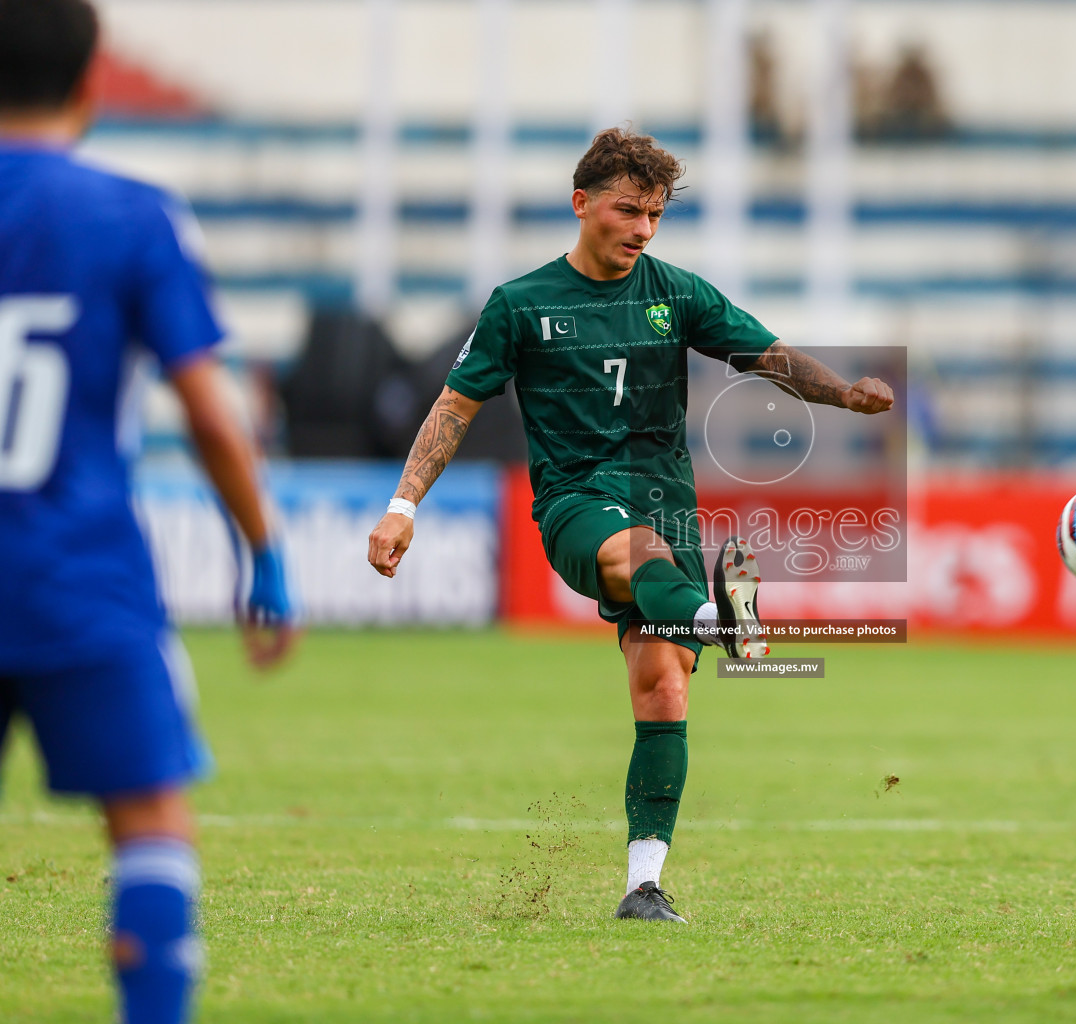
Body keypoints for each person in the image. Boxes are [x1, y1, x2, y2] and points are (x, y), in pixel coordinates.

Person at [367, 127, 894, 923]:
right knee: (634, 553)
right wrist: (403, 506)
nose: (643, 230)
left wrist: (846, 395)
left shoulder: (676, 293)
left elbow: (771, 357)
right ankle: (724, 618)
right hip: (578, 503)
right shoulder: (521, 304)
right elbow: (455, 406)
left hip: (668, 509)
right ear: (582, 205)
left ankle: (642, 885)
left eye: (654, 214)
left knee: (663, 687)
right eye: (627, 210)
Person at [0, 2, 297, 1021]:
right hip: (78, 571)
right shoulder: (134, 216)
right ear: (93, 85)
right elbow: (211, 412)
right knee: (149, 819)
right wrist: (263, 549)